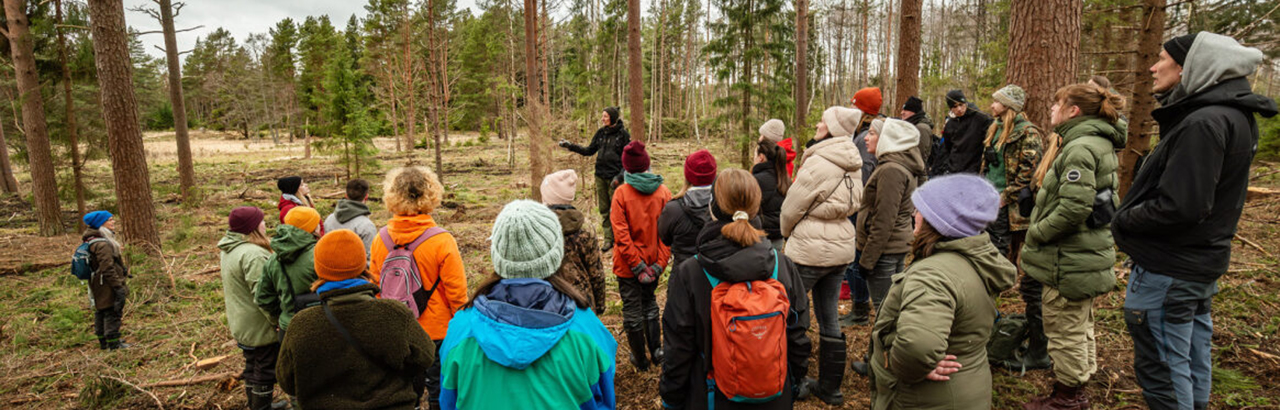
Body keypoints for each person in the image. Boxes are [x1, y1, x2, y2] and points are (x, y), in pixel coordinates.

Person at [1115, 32, 1277, 410]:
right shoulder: (1232, 116)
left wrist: (1124, 219)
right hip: (1196, 265)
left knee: (1166, 373)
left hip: (1170, 269)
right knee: (1188, 359)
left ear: (1192, 67)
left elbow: (1181, 206)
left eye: (1162, 59)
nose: (1153, 67)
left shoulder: (1203, 123)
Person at [439, 200, 618, 410]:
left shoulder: (461, 328)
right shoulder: (586, 327)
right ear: (556, 254)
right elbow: (605, 400)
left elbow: (448, 401)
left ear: (498, 255)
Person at [659, 169, 812, 410]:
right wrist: (792, 382)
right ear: (756, 208)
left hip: (711, 398)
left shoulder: (691, 272)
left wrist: (671, 399)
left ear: (712, 208)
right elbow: (798, 336)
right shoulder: (781, 265)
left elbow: (678, 350)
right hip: (775, 396)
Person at [868, 174, 1017, 410]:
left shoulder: (933, 275)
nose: (913, 215)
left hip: (928, 399)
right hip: (967, 387)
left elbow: (918, 346)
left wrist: (904, 365)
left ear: (937, 222)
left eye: (920, 210)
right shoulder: (972, 259)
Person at [1020, 83, 1127, 410]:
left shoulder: (1080, 148)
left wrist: (1036, 233)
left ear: (1073, 111)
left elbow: (1074, 208)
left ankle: (1068, 399)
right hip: (1080, 255)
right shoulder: (1095, 142)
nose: (1051, 109)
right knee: (1079, 326)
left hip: (1068, 259)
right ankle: (1075, 388)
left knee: (1065, 329)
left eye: (1057, 104)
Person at [277, 229, 436, 409]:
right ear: (363, 265)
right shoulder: (394, 313)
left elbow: (287, 381)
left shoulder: (301, 324)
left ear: (318, 268)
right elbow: (426, 356)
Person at [780, 106, 863, 405]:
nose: (817, 123)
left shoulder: (820, 163)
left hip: (809, 250)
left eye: (822, 120)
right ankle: (831, 388)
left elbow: (791, 208)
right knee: (829, 316)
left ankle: (793, 380)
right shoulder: (853, 162)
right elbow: (856, 202)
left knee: (794, 315)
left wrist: (788, 234)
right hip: (841, 247)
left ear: (831, 128)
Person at [370, 166, 469, 410]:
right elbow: (457, 293)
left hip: (398, 328)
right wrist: (463, 328)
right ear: (432, 195)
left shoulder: (380, 238)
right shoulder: (441, 240)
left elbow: (374, 286)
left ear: (392, 195)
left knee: (405, 389)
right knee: (438, 389)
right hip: (436, 331)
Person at [980, 84, 1049, 370]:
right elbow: (987, 164)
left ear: (1009, 106)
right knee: (986, 246)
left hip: (1008, 206)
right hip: (989, 199)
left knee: (1001, 250)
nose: (992, 106)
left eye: (997, 103)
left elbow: (1029, 173)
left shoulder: (1028, 133)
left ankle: (994, 291)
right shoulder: (995, 128)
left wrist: (1005, 196)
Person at [610, 140, 673, 371]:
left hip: (628, 267)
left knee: (632, 309)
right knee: (650, 304)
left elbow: (620, 235)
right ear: (647, 164)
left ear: (626, 167)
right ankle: (656, 351)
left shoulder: (621, 193)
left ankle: (640, 359)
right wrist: (657, 266)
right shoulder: (664, 192)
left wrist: (636, 266)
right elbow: (668, 236)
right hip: (652, 263)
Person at [856, 118, 925, 312]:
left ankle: (885, 343)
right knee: (891, 308)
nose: (866, 138)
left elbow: (884, 219)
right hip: (892, 246)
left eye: (872, 134)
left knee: (885, 311)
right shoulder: (895, 165)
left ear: (887, 139)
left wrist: (868, 259)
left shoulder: (891, 170)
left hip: (884, 250)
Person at [218, 207, 281, 409]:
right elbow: (263, 295)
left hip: (242, 321)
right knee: (265, 370)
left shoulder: (230, 248)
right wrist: (276, 321)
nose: (265, 224)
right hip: (258, 325)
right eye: (261, 221)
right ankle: (261, 407)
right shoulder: (253, 255)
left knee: (252, 367)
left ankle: (259, 405)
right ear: (252, 227)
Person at [560, 107, 632, 251]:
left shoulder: (623, 135)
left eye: (605, 116)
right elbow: (589, 151)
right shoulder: (601, 133)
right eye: (602, 116)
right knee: (604, 209)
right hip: (600, 175)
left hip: (615, 178)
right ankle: (608, 239)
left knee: (617, 210)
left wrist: (619, 177)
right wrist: (570, 146)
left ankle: (620, 239)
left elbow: (628, 161)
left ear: (612, 117)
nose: (602, 119)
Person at [541, 169, 607, 314]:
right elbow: (596, 273)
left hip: (546, 304)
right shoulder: (585, 228)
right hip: (582, 303)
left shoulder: (537, 228)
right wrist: (600, 305)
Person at [255, 206, 322, 333]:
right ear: (312, 228)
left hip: (288, 328)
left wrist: (279, 318)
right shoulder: (320, 255)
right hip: (319, 326)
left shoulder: (273, 259)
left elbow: (263, 298)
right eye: (317, 223)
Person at [659, 149, 718, 268]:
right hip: (714, 278)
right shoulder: (725, 207)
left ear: (687, 175)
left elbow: (665, 239)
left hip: (682, 275)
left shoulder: (673, 209)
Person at [82, 211, 131, 350]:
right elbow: (107, 267)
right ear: (100, 223)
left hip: (99, 282)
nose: (113, 222)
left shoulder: (92, 240)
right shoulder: (102, 244)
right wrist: (118, 286)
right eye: (109, 220)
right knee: (112, 311)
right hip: (106, 283)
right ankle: (113, 343)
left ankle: (103, 341)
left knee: (102, 310)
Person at [936, 90, 994, 176]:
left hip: (974, 170)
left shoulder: (981, 118)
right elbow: (948, 148)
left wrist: (989, 148)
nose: (959, 109)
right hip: (954, 170)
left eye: (961, 104)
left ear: (965, 103)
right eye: (954, 107)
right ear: (950, 108)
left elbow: (993, 133)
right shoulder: (949, 125)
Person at [752, 140, 791, 251]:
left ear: (761, 157)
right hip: (778, 237)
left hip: (759, 237)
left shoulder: (756, 181)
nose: (753, 158)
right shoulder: (785, 179)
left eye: (754, 155)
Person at [324, 179, 378, 253]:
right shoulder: (367, 226)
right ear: (366, 197)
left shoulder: (329, 220)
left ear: (346, 195)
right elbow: (370, 259)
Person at [899, 95, 935, 173]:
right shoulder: (912, 126)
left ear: (914, 112)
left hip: (918, 174)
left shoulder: (921, 128)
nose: (902, 112)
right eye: (902, 110)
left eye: (906, 110)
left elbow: (920, 156)